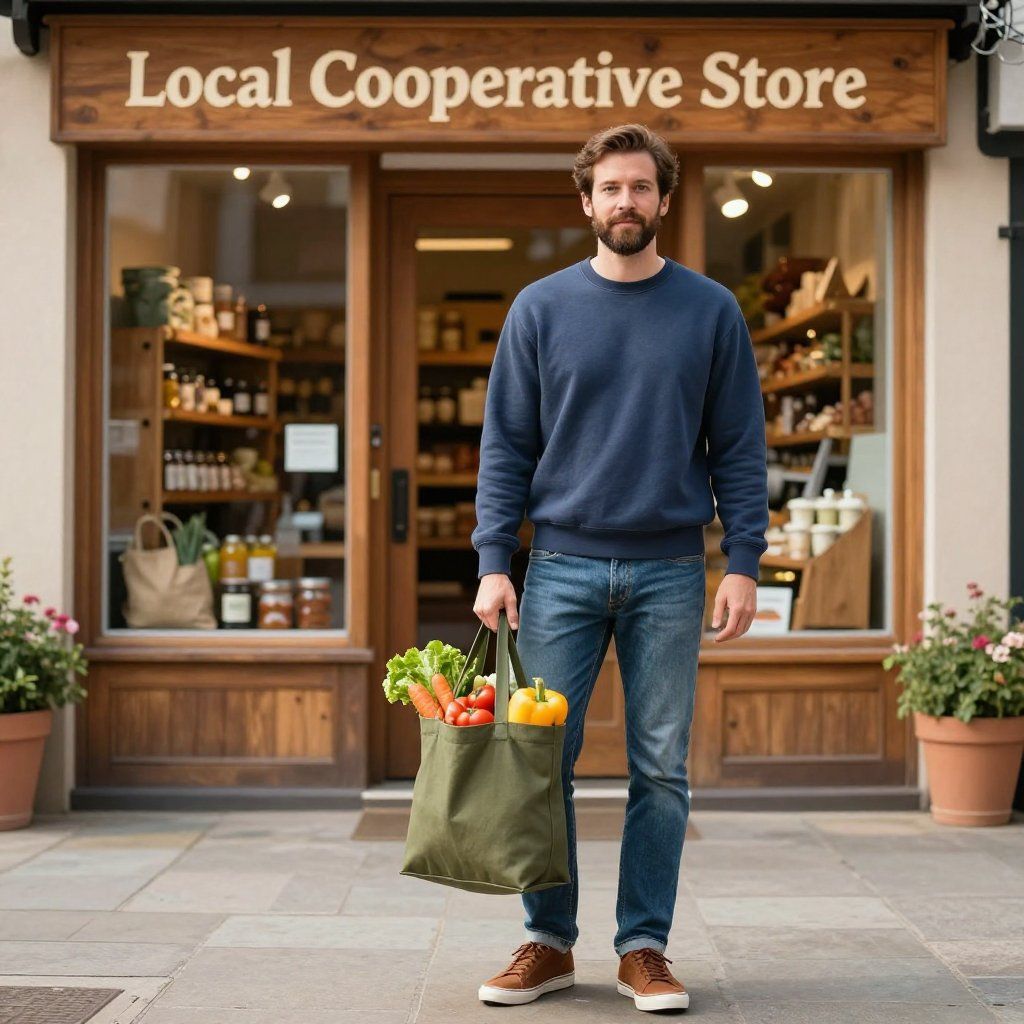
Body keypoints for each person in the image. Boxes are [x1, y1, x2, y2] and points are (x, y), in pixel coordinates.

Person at [470, 123, 768, 1012]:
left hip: (673, 570)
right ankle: (546, 943)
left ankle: (644, 947)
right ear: (586, 201)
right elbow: (506, 447)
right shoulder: (540, 308)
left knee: (660, 769)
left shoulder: (711, 310)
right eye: (610, 189)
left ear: (664, 202)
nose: (625, 202)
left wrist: (743, 560)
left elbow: (741, 448)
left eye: (641, 188)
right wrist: (496, 560)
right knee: (539, 763)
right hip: (558, 565)